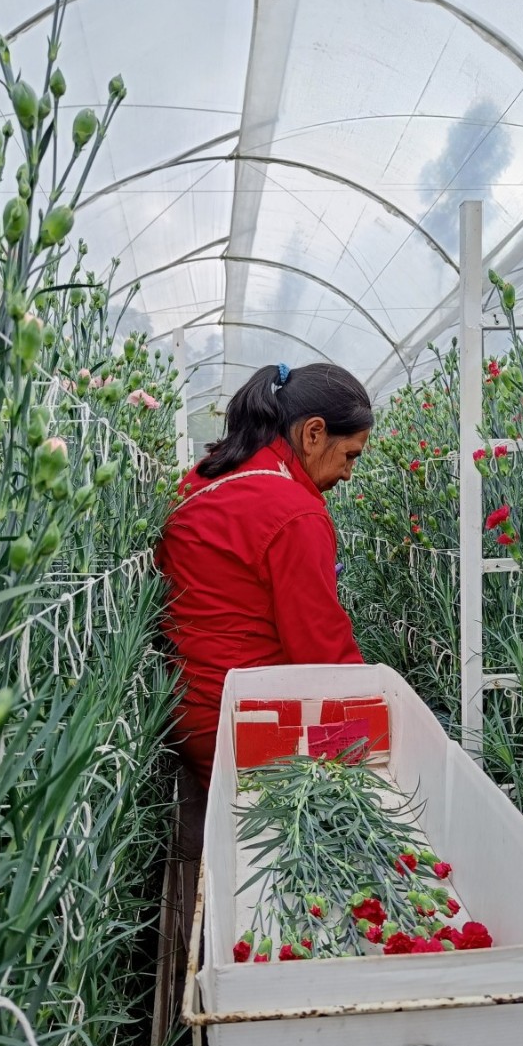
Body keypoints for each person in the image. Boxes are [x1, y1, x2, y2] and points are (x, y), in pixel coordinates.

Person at [156, 361, 372, 864]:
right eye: (349, 455)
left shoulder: (206, 476)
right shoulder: (292, 510)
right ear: (314, 433)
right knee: (283, 860)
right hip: (251, 722)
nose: (347, 472)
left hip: (194, 703)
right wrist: (365, 734)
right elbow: (322, 650)